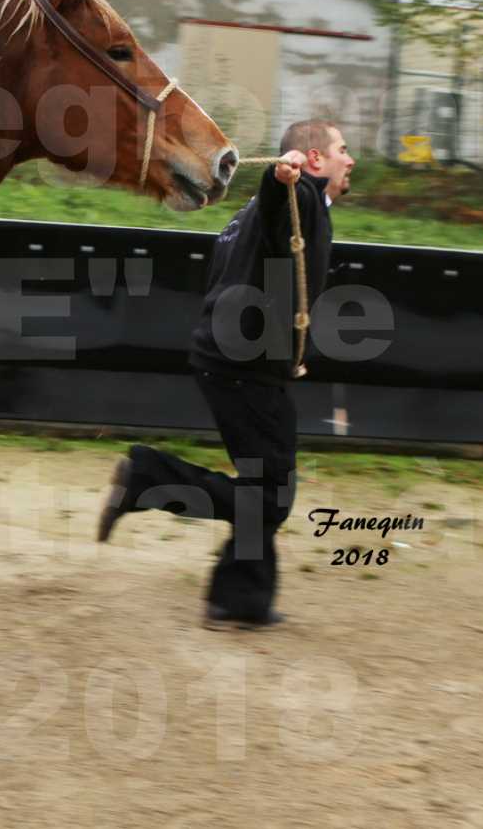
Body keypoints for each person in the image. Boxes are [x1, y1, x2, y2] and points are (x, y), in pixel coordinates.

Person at [96, 120, 356, 629]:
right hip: (244, 369)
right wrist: (282, 180)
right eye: (343, 150)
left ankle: (239, 599)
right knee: (272, 496)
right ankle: (148, 479)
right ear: (315, 160)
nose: (351, 160)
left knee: (265, 489)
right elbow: (286, 206)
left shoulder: (250, 218)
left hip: (232, 361)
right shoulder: (292, 198)